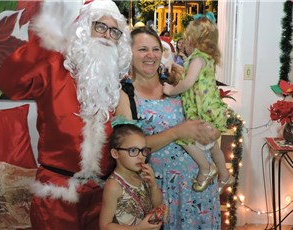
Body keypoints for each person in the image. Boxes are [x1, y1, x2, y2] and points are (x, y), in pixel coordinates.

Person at [0, 0, 131, 229]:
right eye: (100, 26)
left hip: (101, 198)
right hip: (56, 197)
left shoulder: (112, 84)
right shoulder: (54, 66)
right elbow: (9, 83)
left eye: (114, 31)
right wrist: (44, 36)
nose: (107, 35)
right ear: (84, 28)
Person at [116, 26, 221, 229]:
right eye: (142, 49)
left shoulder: (177, 85)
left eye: (156, 49)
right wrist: (176, 133)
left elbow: (207, 112)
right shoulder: (125, 95)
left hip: (201, 185)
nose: (151, 55)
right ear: (128, 53)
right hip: (163, 190)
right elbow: (129, 149)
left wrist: (211, 129)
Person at [163, 12, 235, 194]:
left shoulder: (197, 58)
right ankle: (225, 175)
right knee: (212, 146)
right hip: (211, 111)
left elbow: (187, 83)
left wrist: (170, 90)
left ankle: (206, 168)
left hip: (203, 111)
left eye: (187, 39)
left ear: (194, 39)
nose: (184, 43)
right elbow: (192, 76)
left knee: (183, 138)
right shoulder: (205, 58)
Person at [99, 120, 164, 229]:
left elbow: (158, 204)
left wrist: (153, 186)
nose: (141, 156)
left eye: (143, 150)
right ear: (115, 153)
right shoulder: (113, 186)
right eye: (133, 150)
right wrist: (138, 228)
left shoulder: (143, 175)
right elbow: (105, 226)